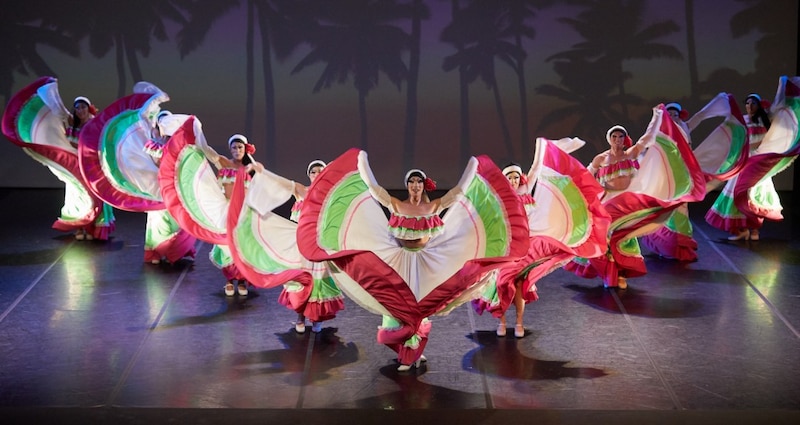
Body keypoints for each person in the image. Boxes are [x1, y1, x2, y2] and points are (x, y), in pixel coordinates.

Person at [295, 149, 529, 372]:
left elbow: (458, 192)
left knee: (421, 309)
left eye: (418, 181)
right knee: (394, 311)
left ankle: (412, 351)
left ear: (423, 185)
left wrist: (472, 167)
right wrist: (362, 161)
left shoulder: (433, 206)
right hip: (399, 262)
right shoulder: (397, 205)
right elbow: (374, 189)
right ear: (407, 185)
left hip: (425, 264)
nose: (415, 185)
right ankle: (408, 349)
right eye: (411, 182)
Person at [706, 93, 771, 241]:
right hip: (743, 161)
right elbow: (736, 140)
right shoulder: (742, 120)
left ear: (758, 105)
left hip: (757, 162)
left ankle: (755, 230)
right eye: (747, 103)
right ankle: (742, 230)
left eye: (753, 103)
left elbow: (765, 141)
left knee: (755, 196)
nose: (749, 106)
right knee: (739, 195)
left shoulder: (764, 121)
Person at [640, 103, 699, 262]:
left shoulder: (682, 132)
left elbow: (688, 155)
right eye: (669, 114)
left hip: (680, 177)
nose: (672, 117)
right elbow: (649, 147)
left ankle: (680, 245)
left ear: (679, 117)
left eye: (675, 115)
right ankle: (664, 246)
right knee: (661, 209)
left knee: (679, 210)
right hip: (664, 177)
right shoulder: (660, 132)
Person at [142, 110, 197, 265]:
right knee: (158, 219)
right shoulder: (154, 146)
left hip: (175, 187)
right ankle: (157, 251)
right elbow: (152, 164)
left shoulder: (180, 146)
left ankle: (173, 250)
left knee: (176, 218)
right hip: (159, 187)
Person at [211, 134, 258, 296]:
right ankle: (229, 280)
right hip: (227, 210)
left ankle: (243, 279)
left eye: (240, 147)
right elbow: (209, 153)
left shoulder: (252, 167)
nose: (237, 150)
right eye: (234, 147)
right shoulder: (224, 162)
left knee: (242, 246)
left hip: (244, 211)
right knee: (227, 246)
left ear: (245, 149)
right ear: (230, 149)